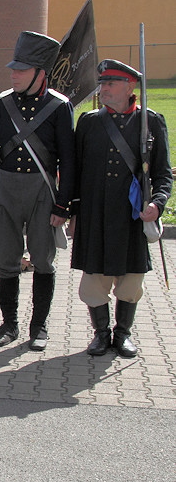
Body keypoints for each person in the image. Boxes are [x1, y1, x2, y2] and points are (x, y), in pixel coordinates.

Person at [70, 59, 172, 358]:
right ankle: (101, 335)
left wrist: (157, 203)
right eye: (101, 83)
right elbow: (75, 172)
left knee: (130, 283)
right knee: (93, 283)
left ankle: (123, 334)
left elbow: (162, 174)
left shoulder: (150, 121)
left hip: (131, 218)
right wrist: (74, 213)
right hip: (96, 215)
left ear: (130, 86)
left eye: (110, 84)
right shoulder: (89, 122)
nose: (103, 89)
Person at [0, 31, 75, 350]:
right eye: (13, 68)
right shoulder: (1, 104)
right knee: (6, 260)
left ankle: (39, 326)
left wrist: (62, 206)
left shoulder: (60, 107)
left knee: (43, 261)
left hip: (42, 192)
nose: (13, 74)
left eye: (21, 69)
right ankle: (9, 324)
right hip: (6, 190)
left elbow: (69, 160)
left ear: (40, 72)